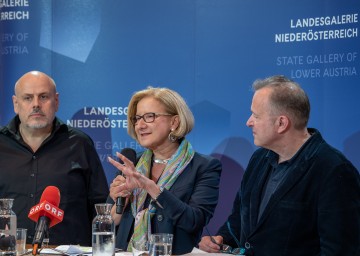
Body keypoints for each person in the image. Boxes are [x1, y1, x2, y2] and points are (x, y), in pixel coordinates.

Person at [199, 75, 360, 255]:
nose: (248, 122)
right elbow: (239, 219)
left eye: (256, 115)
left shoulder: (333, 170)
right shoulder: (259, 158)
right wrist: (221, 239)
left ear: (281, 123)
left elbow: (340, 250)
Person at [107, 86, 222, 255]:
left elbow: (194, 221)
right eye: (137, 118)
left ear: (174, 122)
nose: (140, 125)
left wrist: (151, 187)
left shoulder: (203, 166)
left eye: (149, 117)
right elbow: (109, 224)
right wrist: (120, 203)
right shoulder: (132, 163)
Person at [0, 71, 109, 246]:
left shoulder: (80, 144)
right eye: (28, 98)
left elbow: (100, 207)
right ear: (15, 104)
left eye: (43, 97)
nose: (36, 104)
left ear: (56, 101)